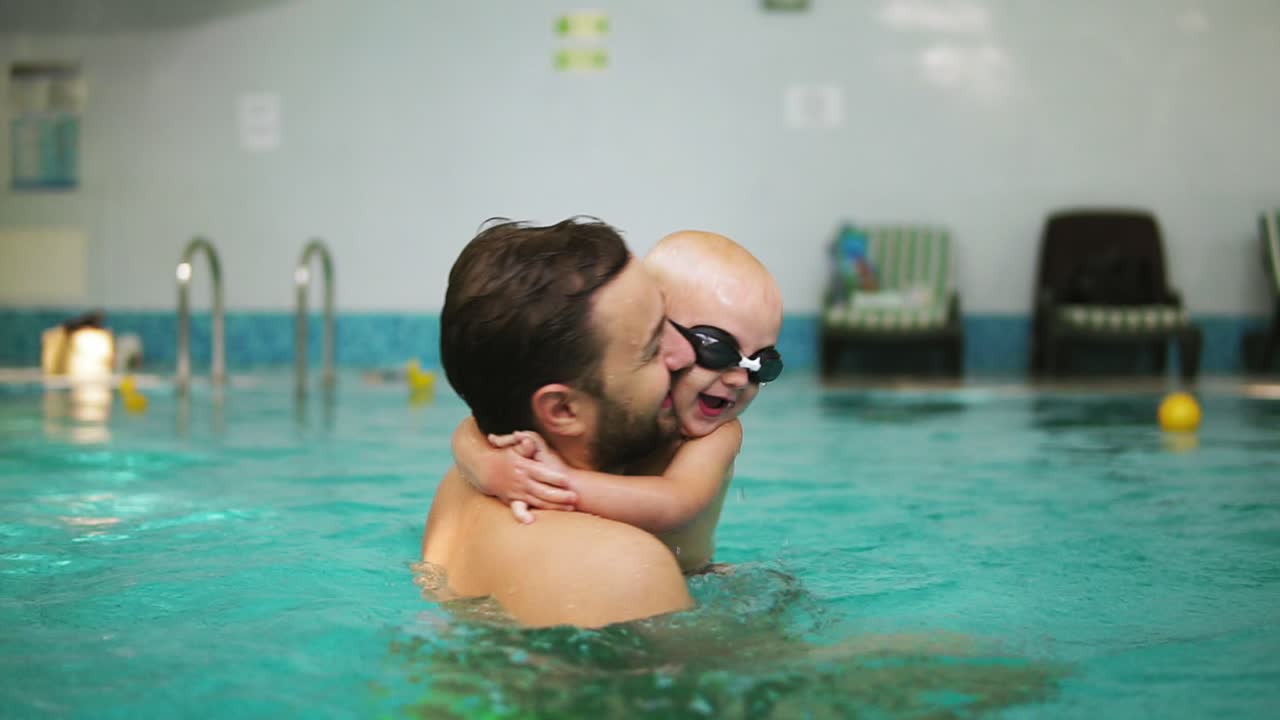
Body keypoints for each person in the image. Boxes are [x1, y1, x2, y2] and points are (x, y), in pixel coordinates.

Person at [420, 217, 698, 628]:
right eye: (654, 347)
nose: (686, 356)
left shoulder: (465, 482)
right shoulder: (621, 569)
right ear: (563, 411)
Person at [452, 230, 784, 573]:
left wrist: (559, 480)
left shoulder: (718, 435)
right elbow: (475, 425)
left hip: (690, 580)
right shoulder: (629, 407)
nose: (738, 379)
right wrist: (487, 467)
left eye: (763, 364)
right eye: (717, 350)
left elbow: (676, 501)